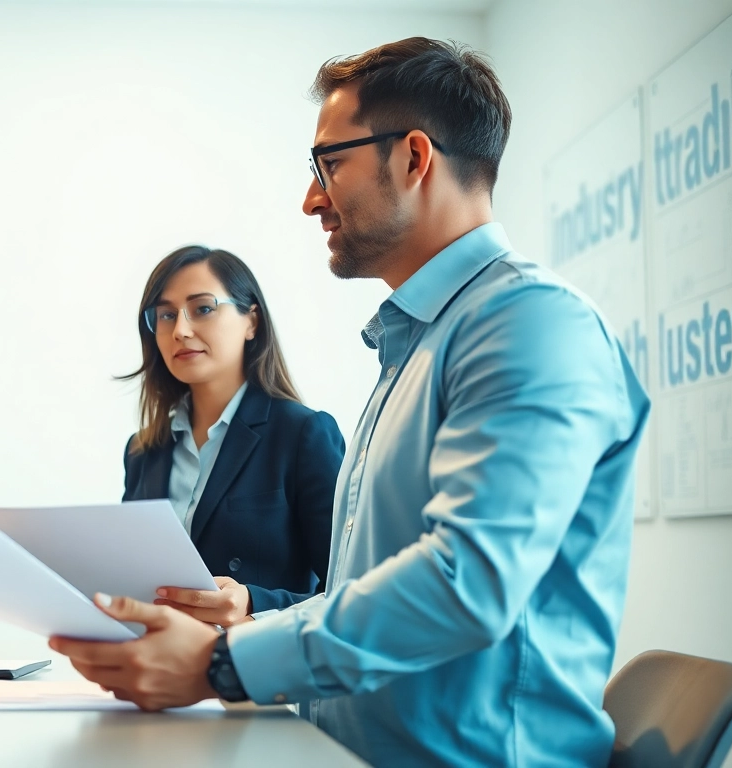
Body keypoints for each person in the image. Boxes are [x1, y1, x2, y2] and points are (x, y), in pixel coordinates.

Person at [50, 37, 650, 767]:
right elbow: (353, 593)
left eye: (329, 165)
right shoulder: (414, 346)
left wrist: (224, 660)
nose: (311, 199)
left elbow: (468, 582)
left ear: (414, 158)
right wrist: (232, 633)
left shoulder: (529, 324)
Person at [120, 245, 343, 626]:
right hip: (155, 667)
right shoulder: (143, 450)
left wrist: (254, 604)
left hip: (256, 672)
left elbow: (349, 590)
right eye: (166, 315)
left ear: (251, 321)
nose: (181, 330)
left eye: (203, 308)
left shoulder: (303, 434)